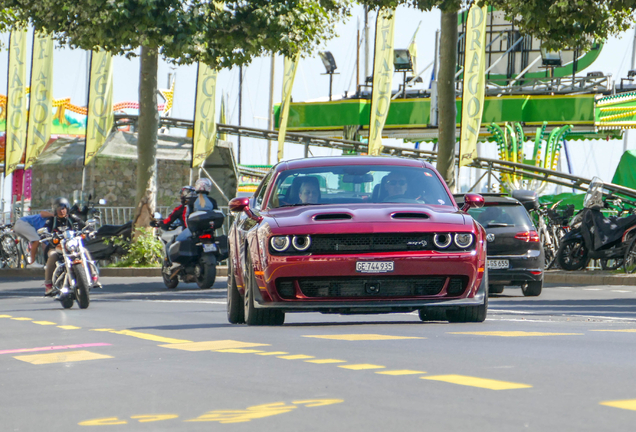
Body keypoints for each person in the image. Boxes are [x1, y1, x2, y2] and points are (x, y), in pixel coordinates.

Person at [43, 197, 85, 296]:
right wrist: (45, 234)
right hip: (56, 247)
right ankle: (48, 285)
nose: (62, 211)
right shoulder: (51, 221)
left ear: (67, 209)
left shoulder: (72, 218)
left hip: (71, 246)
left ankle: (93, 276)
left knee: (85, 251)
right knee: (52, 256)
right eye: (59, 209)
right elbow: (44, 229)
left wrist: (88, 229)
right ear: (55, 210)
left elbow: (83, 226)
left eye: (64, 208)